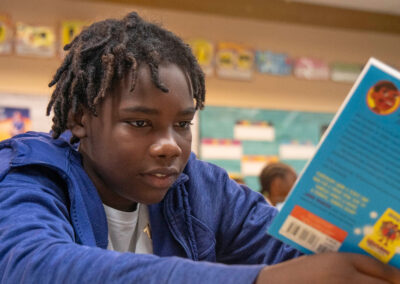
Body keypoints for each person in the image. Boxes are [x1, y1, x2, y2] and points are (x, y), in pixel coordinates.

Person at [0, 12, 399, 284]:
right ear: (80, 119)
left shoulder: (201, 189)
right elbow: (33, 265)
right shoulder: (29, 174)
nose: (169, 146)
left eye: (183, 124)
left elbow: (296, 249)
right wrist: (259, 280)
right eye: (140, 123)